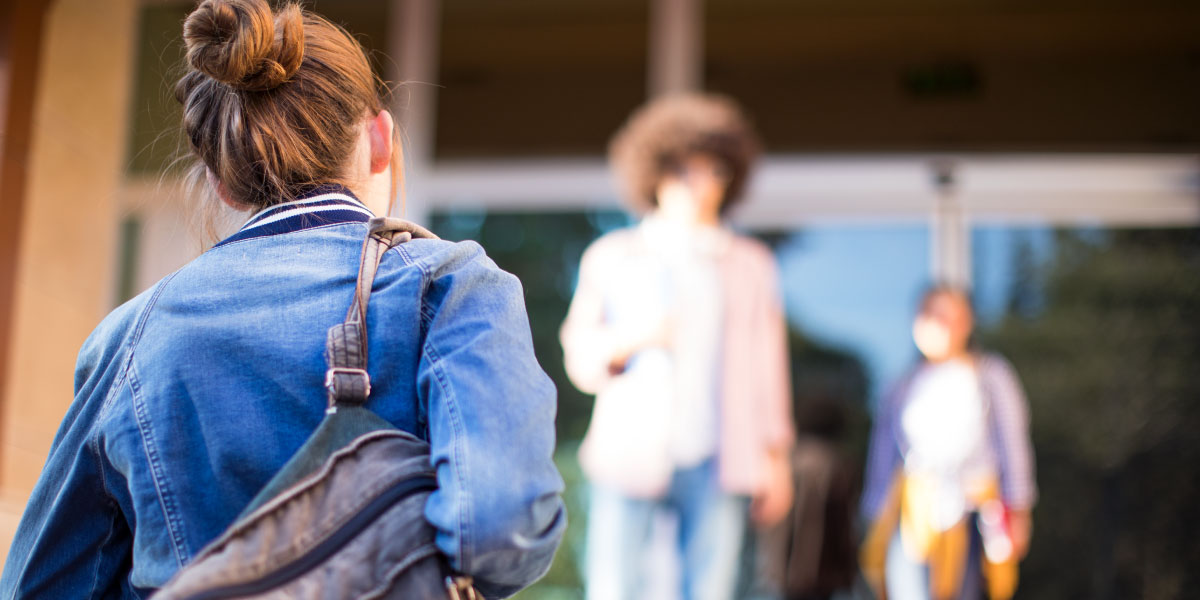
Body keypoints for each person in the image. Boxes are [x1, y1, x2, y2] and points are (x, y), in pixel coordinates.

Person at [0, 1, 565, 597]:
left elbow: (41, 583)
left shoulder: (128, 336)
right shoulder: (450, 285)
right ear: (380, 138)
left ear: (220, 180)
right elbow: (502, 528)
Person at [560, 93, 795, 600]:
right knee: (614, 589)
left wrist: (775, 458)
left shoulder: (751, 264)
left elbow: (768, 367)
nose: (698, 185)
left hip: (718, 454)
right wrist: (635, 337)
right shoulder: (613, 255)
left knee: (710, 590)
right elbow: (579, 357)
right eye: (683, 170)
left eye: (714, 172)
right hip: (629, 450)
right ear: (655, 173)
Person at [860, 286, 1036, 600]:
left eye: (945, 315)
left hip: (972, 512)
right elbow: (883, 456)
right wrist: (875, 514)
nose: (935, 324)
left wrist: (1018, 508)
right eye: (928, 314)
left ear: (965, 321)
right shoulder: (902, 384)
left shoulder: (990, 375)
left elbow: (1012, 445)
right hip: (914, 513)